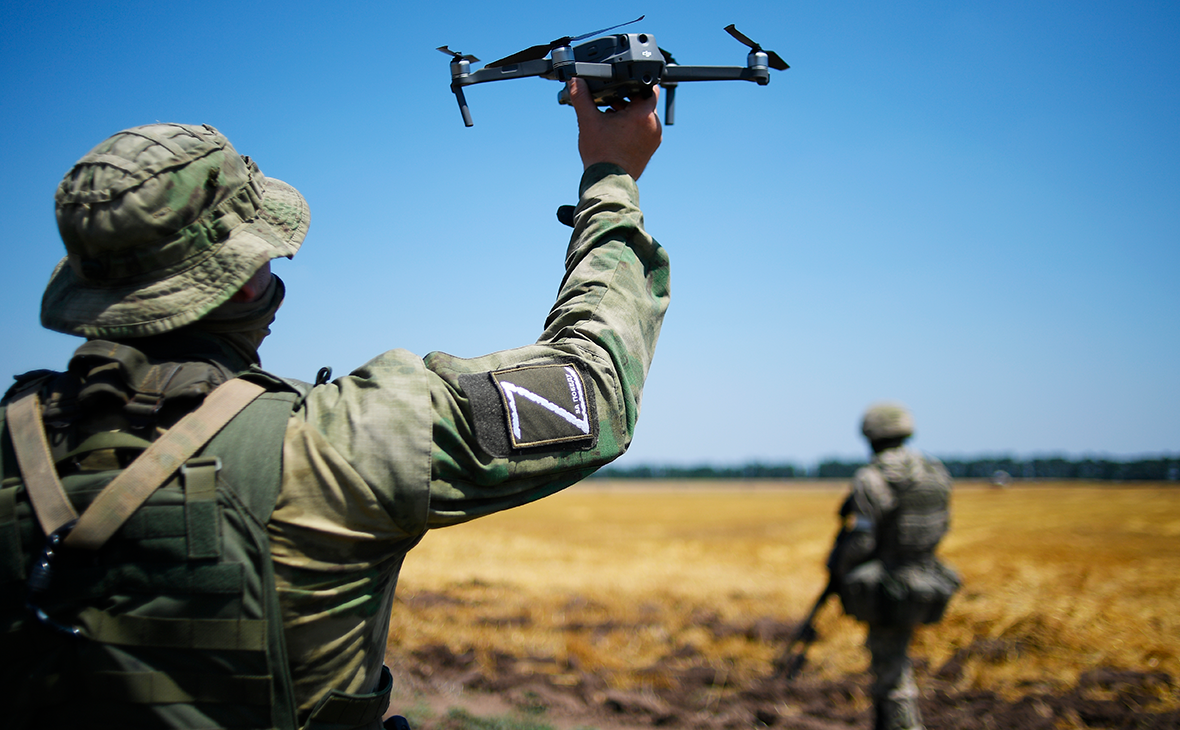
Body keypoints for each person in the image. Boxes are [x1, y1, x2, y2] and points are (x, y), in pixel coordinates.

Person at [0, 78, 666, 729]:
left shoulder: (12, 440)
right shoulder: (332, 445)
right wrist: (611, 177)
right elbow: (596, 382)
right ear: (238, 286)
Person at [827, 402, 961, 730]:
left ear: (870, 435)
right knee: (895, 661)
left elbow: (862, 542)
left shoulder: (873, 478)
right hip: (926, 576)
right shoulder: (933, 472)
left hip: (890, 585)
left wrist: (841, 571)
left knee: (891, 670)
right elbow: (942, 526)